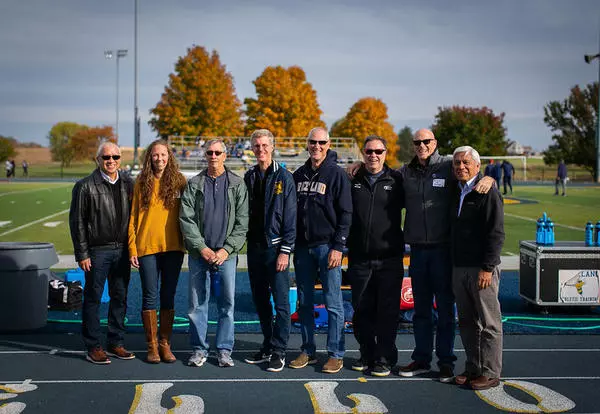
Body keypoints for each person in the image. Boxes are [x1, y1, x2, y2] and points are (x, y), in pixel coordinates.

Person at [397, 129, 494, 382]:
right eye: (417, 142)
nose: (422, 145)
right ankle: (421, 358)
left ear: (435, 143)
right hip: (417, 251)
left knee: (445, 310)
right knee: (421, 310)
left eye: (426, 141)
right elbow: (382, 177)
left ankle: (446, 363)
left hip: (443, 251)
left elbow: (470, 173)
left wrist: (489, 178)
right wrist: (354, 166)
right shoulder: (406, 172)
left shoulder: (448, 167)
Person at [180, 139, 249, 368]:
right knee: (197, 304)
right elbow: (186, 219)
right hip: (200, 254)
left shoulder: (237, 184)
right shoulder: (195, 183)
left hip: (226, 256)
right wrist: (202, 248)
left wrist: (226, 249)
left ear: (225, 155)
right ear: (205, 154)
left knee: (226, 304)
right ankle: (199, 349)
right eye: (209, 152)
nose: (213, 156)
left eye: (218, 152)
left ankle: (224, 349)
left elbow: (242, 223)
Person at [289, 127, 352, 374]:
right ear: (307, 144)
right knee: (304, 301)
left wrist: (339, 247)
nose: (317, 146)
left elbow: (346, 214)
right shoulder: (299, 174)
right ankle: (307, 349)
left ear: (329, 144)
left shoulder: (337, 175)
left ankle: (336, 353)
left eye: (321, 142)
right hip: (303, 248)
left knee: (333, 302)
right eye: (313, 142)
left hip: (328, 248)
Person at [69, 141, 135, 364]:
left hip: (123, 250)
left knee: (120, 297)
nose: (111, 161)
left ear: (120, 159)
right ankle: (93, 346)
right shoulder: (85, 186)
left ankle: (116, 342)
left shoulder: (128, 183)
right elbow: (77, 221)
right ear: (98, 160)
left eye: (115, 157)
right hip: (97, 251)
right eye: (106, 157)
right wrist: (82, 253)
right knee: (94, 298)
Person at [347, 136, 404, 377]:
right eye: (369, 151)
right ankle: (366, 353)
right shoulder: (352, 178)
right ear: (363, 153)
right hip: (360, 258)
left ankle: (384, 358)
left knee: (387, 311)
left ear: (386, 152)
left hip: (389, 258)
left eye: (378, 151)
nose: (374, 155)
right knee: (361, 309)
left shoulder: (398, 179)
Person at [128, 139, 187, 363]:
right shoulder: (141, 181)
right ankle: (151, 346)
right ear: (149, 158)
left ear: (169, 157)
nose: (159, 159)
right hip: (147, 247)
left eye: (163, 155)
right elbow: (133, 217)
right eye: (155, 155)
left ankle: (165, 343)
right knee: (150, 295)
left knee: (168, 295)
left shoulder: (180, 181)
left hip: (173, 247)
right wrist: (132, 247)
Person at [451, 146, 504, 390]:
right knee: (466, 321)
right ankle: (473, 367)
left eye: (465, 163)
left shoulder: (487, 190)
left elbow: (495, 233)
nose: (461, 167)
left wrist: (487, 267)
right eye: (457, 163)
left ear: (477, 166)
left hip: (481, 268)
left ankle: (491, 372)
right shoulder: (455, 189)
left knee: (489, 322)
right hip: (459, 266)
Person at [243, 129, 297, 373]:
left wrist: (285, 251)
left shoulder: (284, 177)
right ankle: (267, 344)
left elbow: (291, 218)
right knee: (261, 301)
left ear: (272, 147)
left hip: (276, 250)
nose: (260, 149)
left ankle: (279, 350)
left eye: (264, 145)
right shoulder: (249, 176)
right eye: (256, 146)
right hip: (254, 249)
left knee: (282, 303)